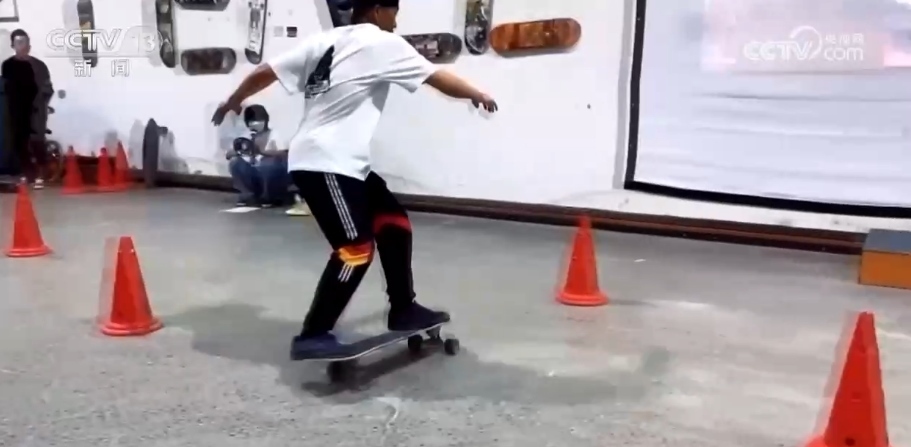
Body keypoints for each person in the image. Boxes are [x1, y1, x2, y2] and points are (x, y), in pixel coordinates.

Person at [211, 0, 498, 358]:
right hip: (325, 162)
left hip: (344, 164)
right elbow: (436, 77)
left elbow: (265, 71)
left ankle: (404, 308)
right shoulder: (382, 42)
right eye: (393, 13)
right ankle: (313, 334)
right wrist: (476, 93)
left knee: (394, 222)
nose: (396, 22)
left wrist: (234, 99)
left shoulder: (324, 41)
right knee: (355, 249)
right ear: (377, 10)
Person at [1, 29, 53, 188]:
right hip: (15, 112)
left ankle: (41, 173)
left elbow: (47, 88)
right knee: (19, 144)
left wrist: (39, 104)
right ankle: (29, 175)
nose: (22, 46)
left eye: (25, 42)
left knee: (37, 141)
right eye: (18, 42)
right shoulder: (7, 65)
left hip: (35, 110)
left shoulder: (39, 66)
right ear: (13, 45)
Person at [227, 104, 296, 208]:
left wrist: (262, 152)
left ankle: (269, 196)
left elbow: (284, 154)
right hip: (253, 172)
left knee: (267, 163)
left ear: (265, 119)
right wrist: (237, 151)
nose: (254, 123)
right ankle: (248, 195)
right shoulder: (246, 136)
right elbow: (228, 154)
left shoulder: (275, 134)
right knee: (235, 162)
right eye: (251, 121)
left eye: (258, 120)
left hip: (273, 173)